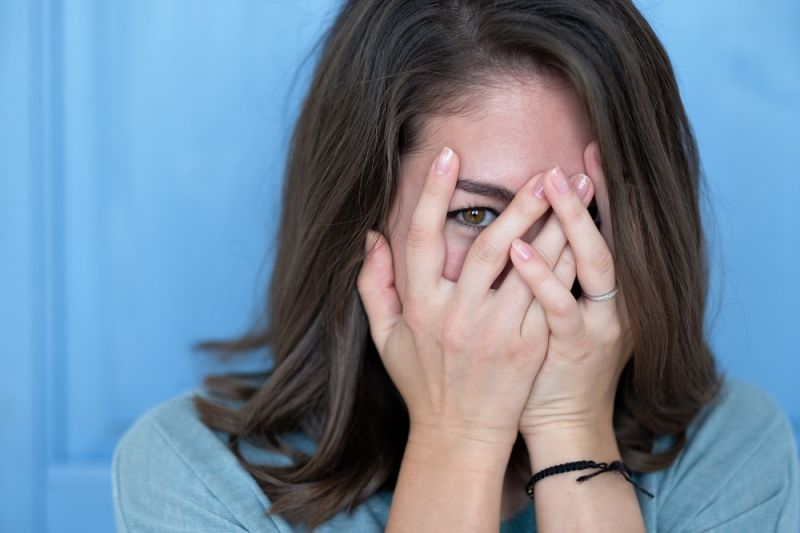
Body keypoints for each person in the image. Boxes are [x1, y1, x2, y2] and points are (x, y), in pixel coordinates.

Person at [111, 0, 800, 531]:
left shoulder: (732, 452)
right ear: (364, 226)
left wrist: (570, 425)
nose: (535, 269)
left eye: (578, 218)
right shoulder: (196, 476)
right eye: (475, 215)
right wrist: (458, 439)